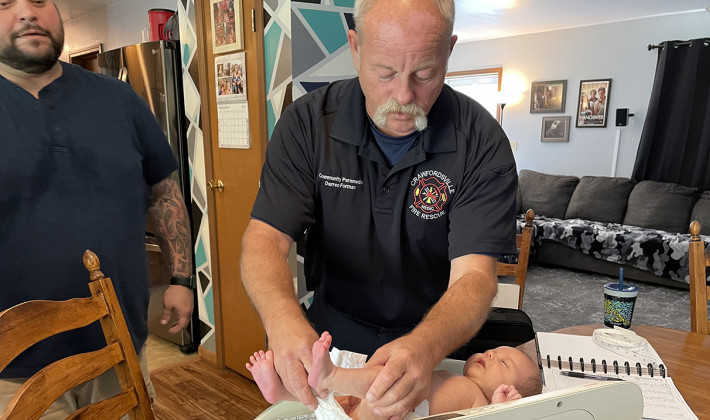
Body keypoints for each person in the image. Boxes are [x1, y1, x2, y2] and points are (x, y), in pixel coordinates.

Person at [240, 0, 518, 417]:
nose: (404, 96)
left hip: (432, 339)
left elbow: (476, 278)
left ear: (449, 51)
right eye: (384, 72)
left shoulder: (482, 142)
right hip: (332, 333)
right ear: (355, 47)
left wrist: (425, 348)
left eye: (424, 73)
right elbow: (264, 240)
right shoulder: (307, 126)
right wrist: (281, 319)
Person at [0, 0, 194, 416]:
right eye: (4, 4)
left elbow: (164, 190)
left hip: (119, 343)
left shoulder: (119, 99)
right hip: (12, 370)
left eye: (39, 0)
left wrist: (181, 277)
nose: (27, 13)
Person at [247, 332, 542, 419]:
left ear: (507, 389)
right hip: (355, 408)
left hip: (388, 413)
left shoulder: (480, 401)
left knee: (387, 381)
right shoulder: (455, 375)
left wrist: (503, 408)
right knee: (327, 400)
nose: (491, 354)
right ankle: (283, 392)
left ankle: (331, 375)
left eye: (503, 363)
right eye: (495, 350)